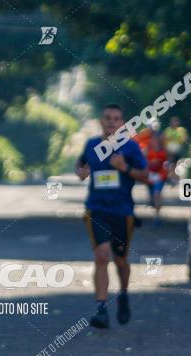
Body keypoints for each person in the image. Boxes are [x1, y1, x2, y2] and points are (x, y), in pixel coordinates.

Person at [75, 104, 149, 329]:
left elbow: (146, 176)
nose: (111, 122)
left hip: (123, 212)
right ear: (101, 120)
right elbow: (80, 164)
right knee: (101, 255)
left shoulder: (131, 147)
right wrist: (81, 172)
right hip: (96, 210)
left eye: (116, 119)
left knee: (121, 261)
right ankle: (101, 308)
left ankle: (124, 295)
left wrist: (124, 167)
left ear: (122, 124)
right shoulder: (91, 145)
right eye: (107, 118)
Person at [144, 132, 169, 227]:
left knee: (156, 194)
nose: (154, 141)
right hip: (149, 176)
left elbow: (167, 162)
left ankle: (157, 217)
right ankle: (154, 203)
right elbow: (143, 160)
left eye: (155, 139)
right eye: (152, 139)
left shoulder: (163, 150)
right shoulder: (148, 149)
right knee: (153, 196)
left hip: (160, 176)